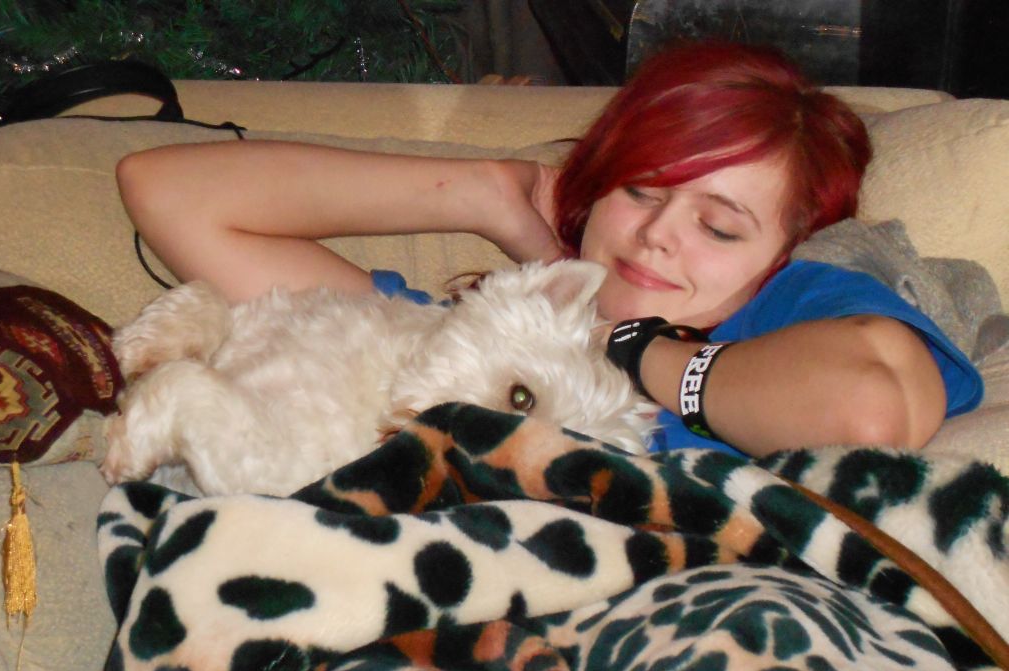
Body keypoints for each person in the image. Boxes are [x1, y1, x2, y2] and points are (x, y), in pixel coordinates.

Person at [116, 40, 982, 459]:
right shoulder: (466, 346)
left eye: (719, 227)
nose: (658, 234)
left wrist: (631, 346)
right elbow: (168, 193)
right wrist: (489, 195)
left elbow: (868, 410)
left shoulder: (796, 306)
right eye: (641, 190)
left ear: (786, 249)